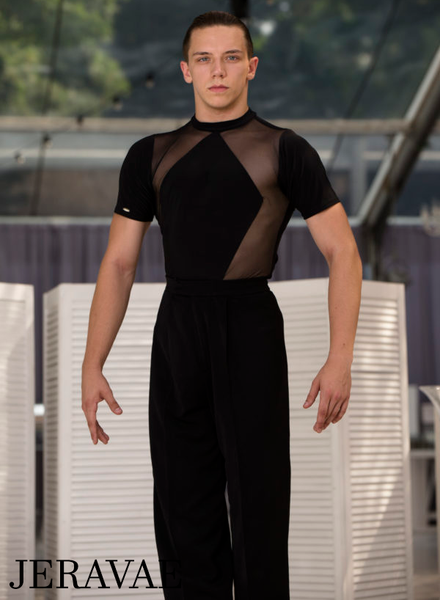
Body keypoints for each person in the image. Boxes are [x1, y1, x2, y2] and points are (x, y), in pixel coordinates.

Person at [81, 9, 362, 600]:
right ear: (186, 70)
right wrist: (91, 363)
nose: (218, 70)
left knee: (260, 506)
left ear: (251, 67)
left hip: (250, 327)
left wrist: (340, 358)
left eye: (231, 58)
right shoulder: (150, 155)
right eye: (204, 59)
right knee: (183, 505)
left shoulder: (286, 150)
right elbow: (119, 263)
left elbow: (344, 252)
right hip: (178, 332)